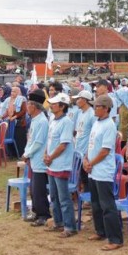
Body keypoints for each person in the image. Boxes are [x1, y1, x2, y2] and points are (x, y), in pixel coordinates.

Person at [85, 94, 124, 250]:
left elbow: (105, 151)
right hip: (93, 169)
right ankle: (100, 231)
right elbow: (92, 145)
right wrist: (86, 160)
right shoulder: (97, 123)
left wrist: (91, 163)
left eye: (98, 106)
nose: (95, 108)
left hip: (102, 170)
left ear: (106, 109)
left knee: (107, 205)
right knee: (95, 204)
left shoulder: (109, 125)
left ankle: (115, 239)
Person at [44, 93, 77, 238]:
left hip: (61, 164)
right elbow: (50, 140)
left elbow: (63, 145)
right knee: (54, 196)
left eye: (54, 104)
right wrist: (46, 154)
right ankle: (58, 222)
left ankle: (70, 226)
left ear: (62, 106)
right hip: (52, 163)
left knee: (64, 198)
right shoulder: (53, 120)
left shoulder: (66, 122)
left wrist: (50, 156)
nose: (51, 106)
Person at [23, 89, 50, 226]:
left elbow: (38, 143)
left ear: (34, 106)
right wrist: (26, 153)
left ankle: (43, 214)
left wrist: (27, 153)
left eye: (28, 105)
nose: (27, 107)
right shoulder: (35, 120)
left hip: (39, 159)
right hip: (33, 158)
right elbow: (30, 140)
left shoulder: (42, 121)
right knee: (33, 189)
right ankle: (36, 211)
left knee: (39, 190)